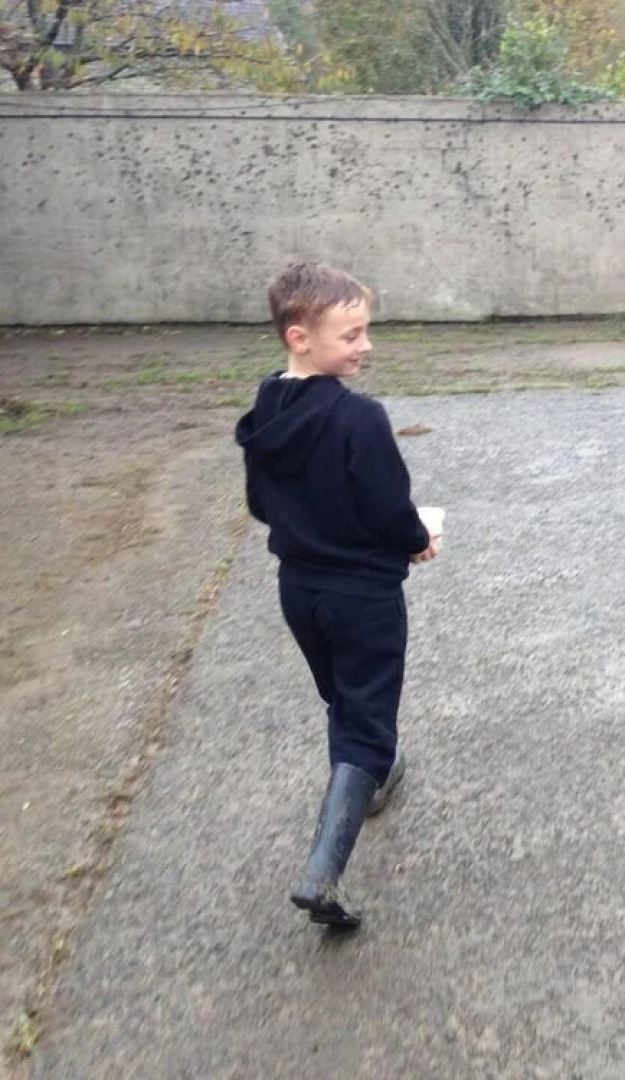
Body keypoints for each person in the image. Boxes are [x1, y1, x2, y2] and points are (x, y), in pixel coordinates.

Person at [235, 260, 438, 930]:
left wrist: (312, 525)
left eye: (365, 331)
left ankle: (371, 781)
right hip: (363, 597)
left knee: (344, 698)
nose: (365, 345)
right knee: (368, 723)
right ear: (300, 337)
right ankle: (323, 872)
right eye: (350, 334)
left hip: (300, 590)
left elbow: (261, 503)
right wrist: (417, 538)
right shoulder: (360, 419)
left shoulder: (266, 408)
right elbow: (388, 509)